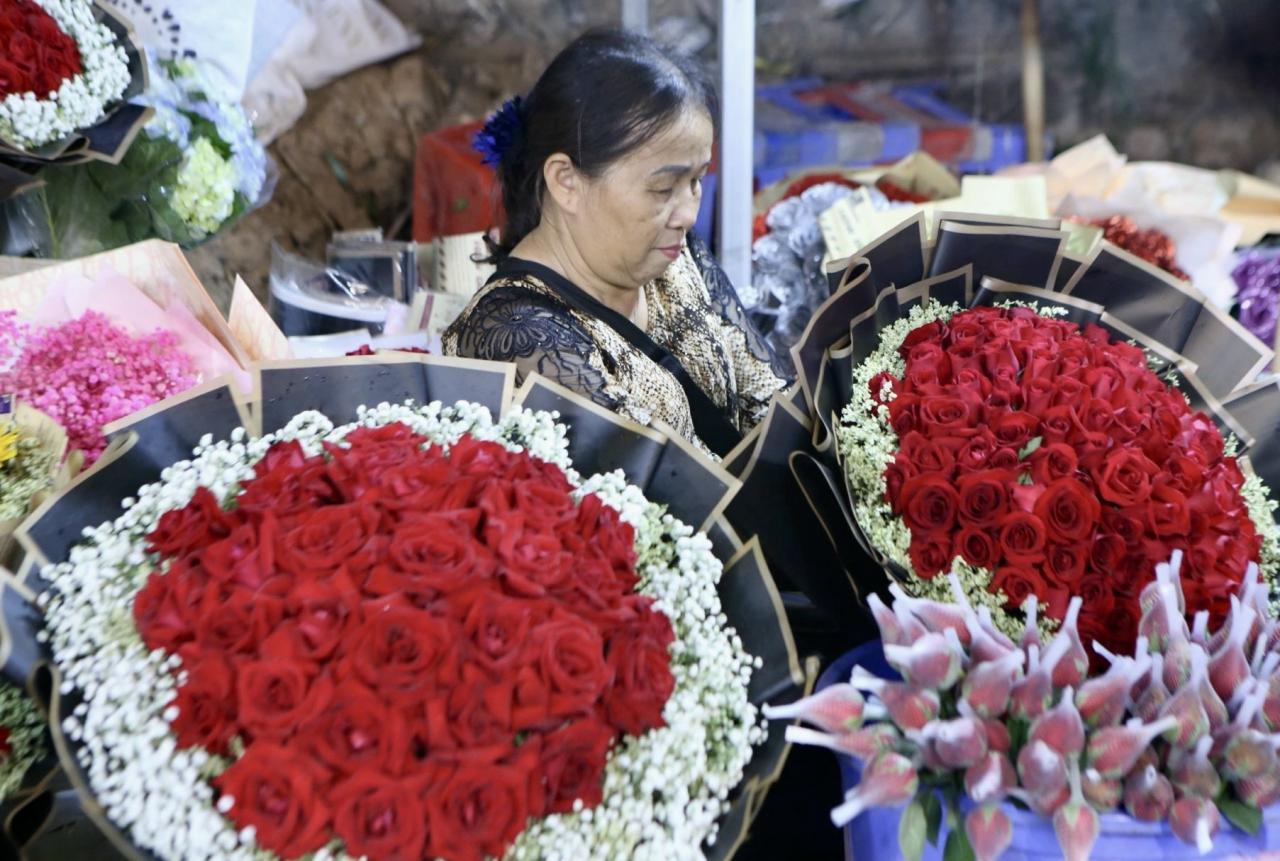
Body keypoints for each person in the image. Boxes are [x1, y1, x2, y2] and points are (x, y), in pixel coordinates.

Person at [443, 28, 789, 458]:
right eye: (663, 189)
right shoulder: (517, 338)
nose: (688, 214)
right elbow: (666, 499)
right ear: (566, 181)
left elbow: (771, 403)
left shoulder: (674, 256)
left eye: (696, 181)